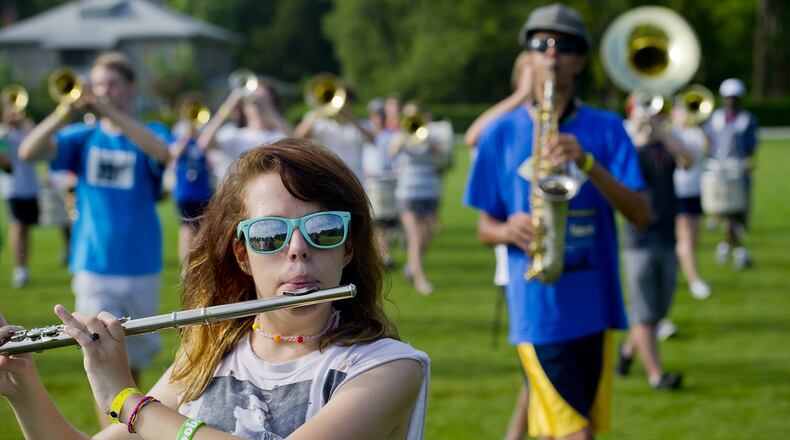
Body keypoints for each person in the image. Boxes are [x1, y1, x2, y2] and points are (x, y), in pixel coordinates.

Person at [0, 139, 430, 440]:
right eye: (268, 235)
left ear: (348, 246)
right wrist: (22, 386)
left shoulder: (388, 369)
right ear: (242, 255)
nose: (297, 249)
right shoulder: (208, 351)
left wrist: (128, 401)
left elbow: (135, 414)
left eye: (323, 230)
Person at [464, 4, 650, 439]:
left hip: (597, 307)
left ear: (580, 59)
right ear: (527, 57)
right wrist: (507, 229)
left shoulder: (607, 128)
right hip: (539, 309)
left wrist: (587, 163)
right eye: (540, 45)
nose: (551, 54)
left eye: (563, 46)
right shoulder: (501, 133)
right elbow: (483, 228)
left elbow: (641, 214)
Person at [17, 52, 171, 414]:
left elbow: (162, 153)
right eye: (98, 84)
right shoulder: (81, 136)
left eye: (112, 84)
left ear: (130, 87)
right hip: (93, 262)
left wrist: (112, 114)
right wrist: (63, 111)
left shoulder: (148, 131)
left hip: (141, 263)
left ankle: (128, 428)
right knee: (101, 358)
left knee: (133, 363)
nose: (103, 91)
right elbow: (27, 151)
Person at [464, 50, 533, 440]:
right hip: (517, 261)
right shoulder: (505, 125)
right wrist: (522, 94)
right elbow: (474, 134)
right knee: (534, 362)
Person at [617, 98, 693, 390]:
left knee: (658, 310)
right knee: (645, 311)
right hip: (638, 239)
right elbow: (619, 175)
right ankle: (656, 375)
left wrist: (661, 131)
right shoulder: (626, 143)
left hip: (666, 234)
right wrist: (637, 134)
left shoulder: (666, 145)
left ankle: (627, 352)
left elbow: (689, 160)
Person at [704, 78, 758, 270]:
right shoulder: (714, 118)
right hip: (718, 172)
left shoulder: (747, 120)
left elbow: (751, 149)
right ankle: (737, 251)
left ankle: (729, 248)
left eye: (734, 98)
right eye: (728, 98)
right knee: (726, 216)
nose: (731, 102)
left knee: (737, 216)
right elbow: (707, 144)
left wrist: (748, 164)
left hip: (738, 172)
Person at [390, 103, 442, 295]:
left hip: (428, 192)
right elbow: (392, 151)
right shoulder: (401, 137)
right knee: (415, 237)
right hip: (408, 192)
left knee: (425, 239)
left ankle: (411, 268)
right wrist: (404, 135)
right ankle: (421, 280)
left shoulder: (430, 136)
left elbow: (441, 153)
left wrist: (426, 136)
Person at [198, 77, 291, 182]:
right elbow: (204, 143)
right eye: (253, 100)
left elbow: (298, 143)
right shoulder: (234, 133)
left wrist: (269, 111)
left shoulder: (280, 136)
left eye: (265, 100)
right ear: (244, 108)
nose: (258, 105)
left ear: (274, 105)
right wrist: (230, 102)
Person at [671, 105, 712, 300]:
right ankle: (695, 281)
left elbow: (707, 148)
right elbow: (682, 161)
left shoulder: (696, 132)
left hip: (695, 191)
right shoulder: (672, 134)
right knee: (686, 239)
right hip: (678, 191)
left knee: (694, 239)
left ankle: (672, 274)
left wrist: (700, 124)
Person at [294, 85, 374, 184]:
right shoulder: (320, 124)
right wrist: (319, 111)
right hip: (328, 181)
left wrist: (350, 118)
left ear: (351, 104)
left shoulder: (359, 125)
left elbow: (372, 139)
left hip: (355, 182)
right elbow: (297, 136)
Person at [169, 93, 214, 265]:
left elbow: (208, 161)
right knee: (186, 228)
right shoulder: (178, 132)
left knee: (202, 230)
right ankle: (186, 268)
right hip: (184, 190)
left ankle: (199, 265)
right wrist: (187, 135)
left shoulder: (202, 134)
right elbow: (174, 154)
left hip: (202, 189)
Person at [0, 101, 38, 288]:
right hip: (13, 187)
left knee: (26, 228)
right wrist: (7, 126)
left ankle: (24, 267)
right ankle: (19, 270)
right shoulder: (3, 133)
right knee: (18, 225)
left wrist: (22, 123)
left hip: (30, 186)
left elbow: (37, 140)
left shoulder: (25, 129)